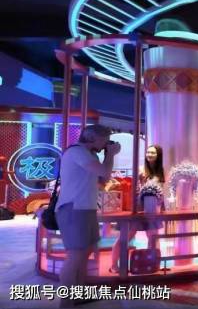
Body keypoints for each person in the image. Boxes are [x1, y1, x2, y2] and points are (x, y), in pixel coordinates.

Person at [56, 125, 121, 308]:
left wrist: (108, 156)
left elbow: (104, 179)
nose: (106, 143)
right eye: (104, 140)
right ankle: (65, 302)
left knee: (85, 253)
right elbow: (104, 172)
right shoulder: (77, 152)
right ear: (93, 138)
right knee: (75, 256)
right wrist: (111, 155)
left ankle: (78, 295)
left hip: (85, 208)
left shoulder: (90, 155)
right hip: (74, 209)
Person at [110, 144, 165, 273]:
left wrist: (160, 206)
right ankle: (114, 265)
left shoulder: (161, 171)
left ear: (158, 155)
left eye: (153, 153)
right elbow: (134, 188)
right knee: (127, 235)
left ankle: (153, 264)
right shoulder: (141, 169)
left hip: (152, 208)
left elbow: (160, 191)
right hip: (137, 206)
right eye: (148, 152)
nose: (149, 154)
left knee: (153, 236)